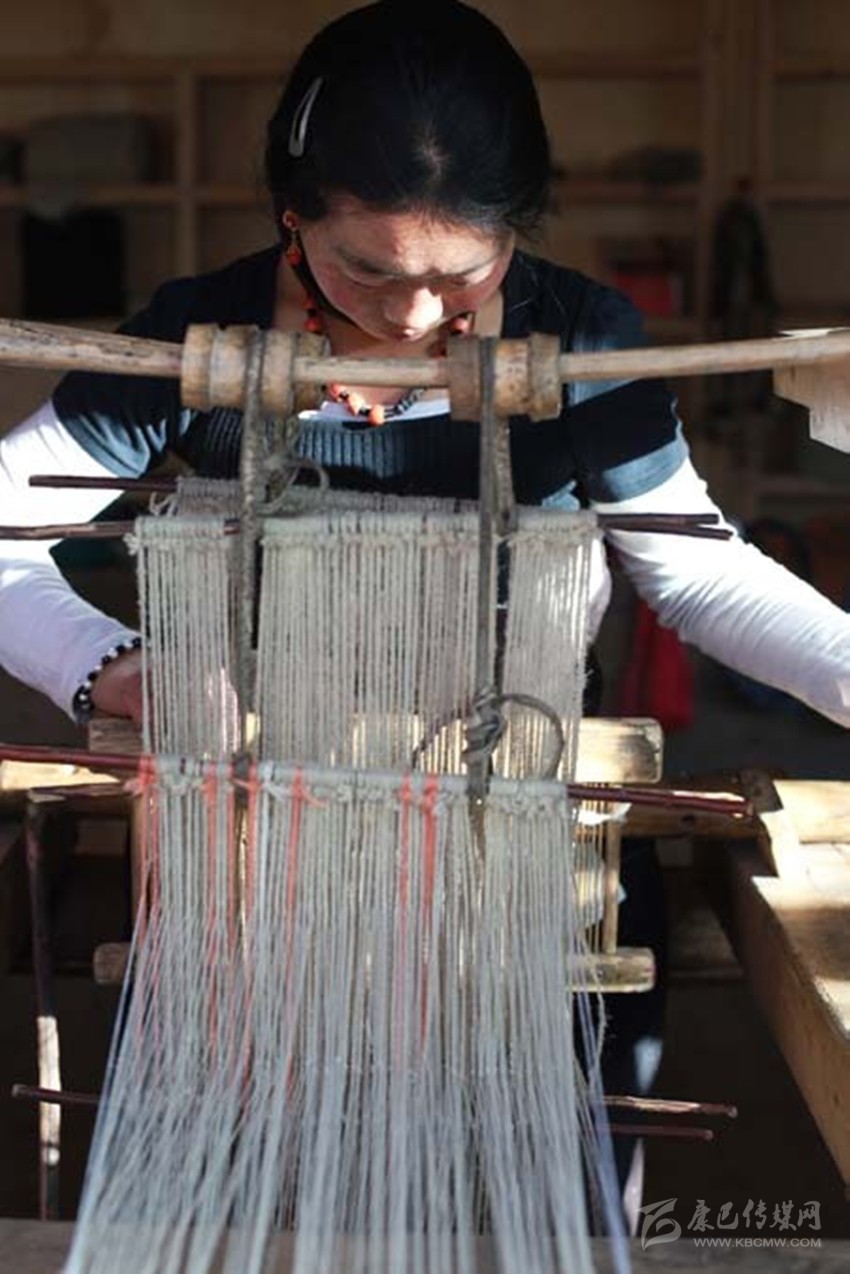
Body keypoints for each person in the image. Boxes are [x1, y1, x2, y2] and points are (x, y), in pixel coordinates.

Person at [2, 0, 850, 1224]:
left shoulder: (579, 340)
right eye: (365, 268)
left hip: (527, 856)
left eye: (462, 275)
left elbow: (696, 572)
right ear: (291, 213)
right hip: (249, 864)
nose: (410, 315)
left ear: (519, 227)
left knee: (550, 1210)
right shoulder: (193, 345)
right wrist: (112, 665)